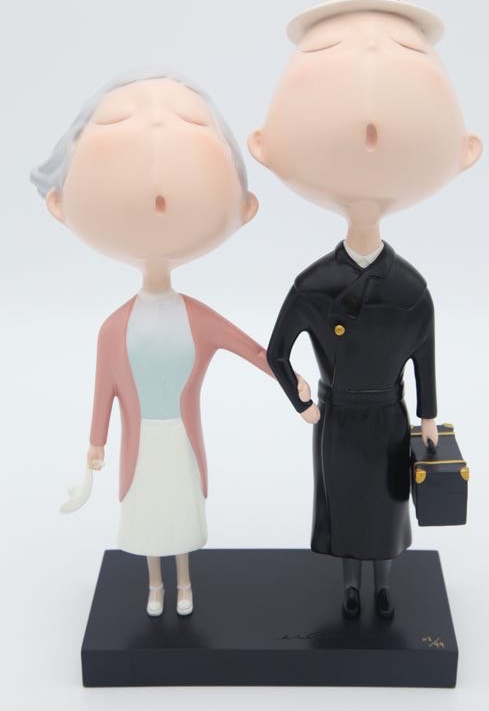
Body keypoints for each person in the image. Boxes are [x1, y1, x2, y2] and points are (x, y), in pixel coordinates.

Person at [31, 67, 310, 618]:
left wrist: (289, 378)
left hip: (180, 441)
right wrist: (96, 443)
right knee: (144, 517)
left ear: (244, 210)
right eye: (118, 123)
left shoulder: (197, 319)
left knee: (180, 515)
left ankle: (183, 582)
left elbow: (253, 350)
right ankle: (155, 586)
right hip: (141, 445)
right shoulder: (113, 328)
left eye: (188, 123)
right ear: (60, 203)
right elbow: (104, 392)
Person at [248, 0, 482, 619]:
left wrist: (428, 420)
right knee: (344, 507)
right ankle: (351, 585)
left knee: (386, 508)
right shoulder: (314, 285)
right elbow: (276, 350)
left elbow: (425, 361)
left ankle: (381, 586)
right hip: (336, 416)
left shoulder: (411, 289)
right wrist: (301, 401)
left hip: (386, 417)